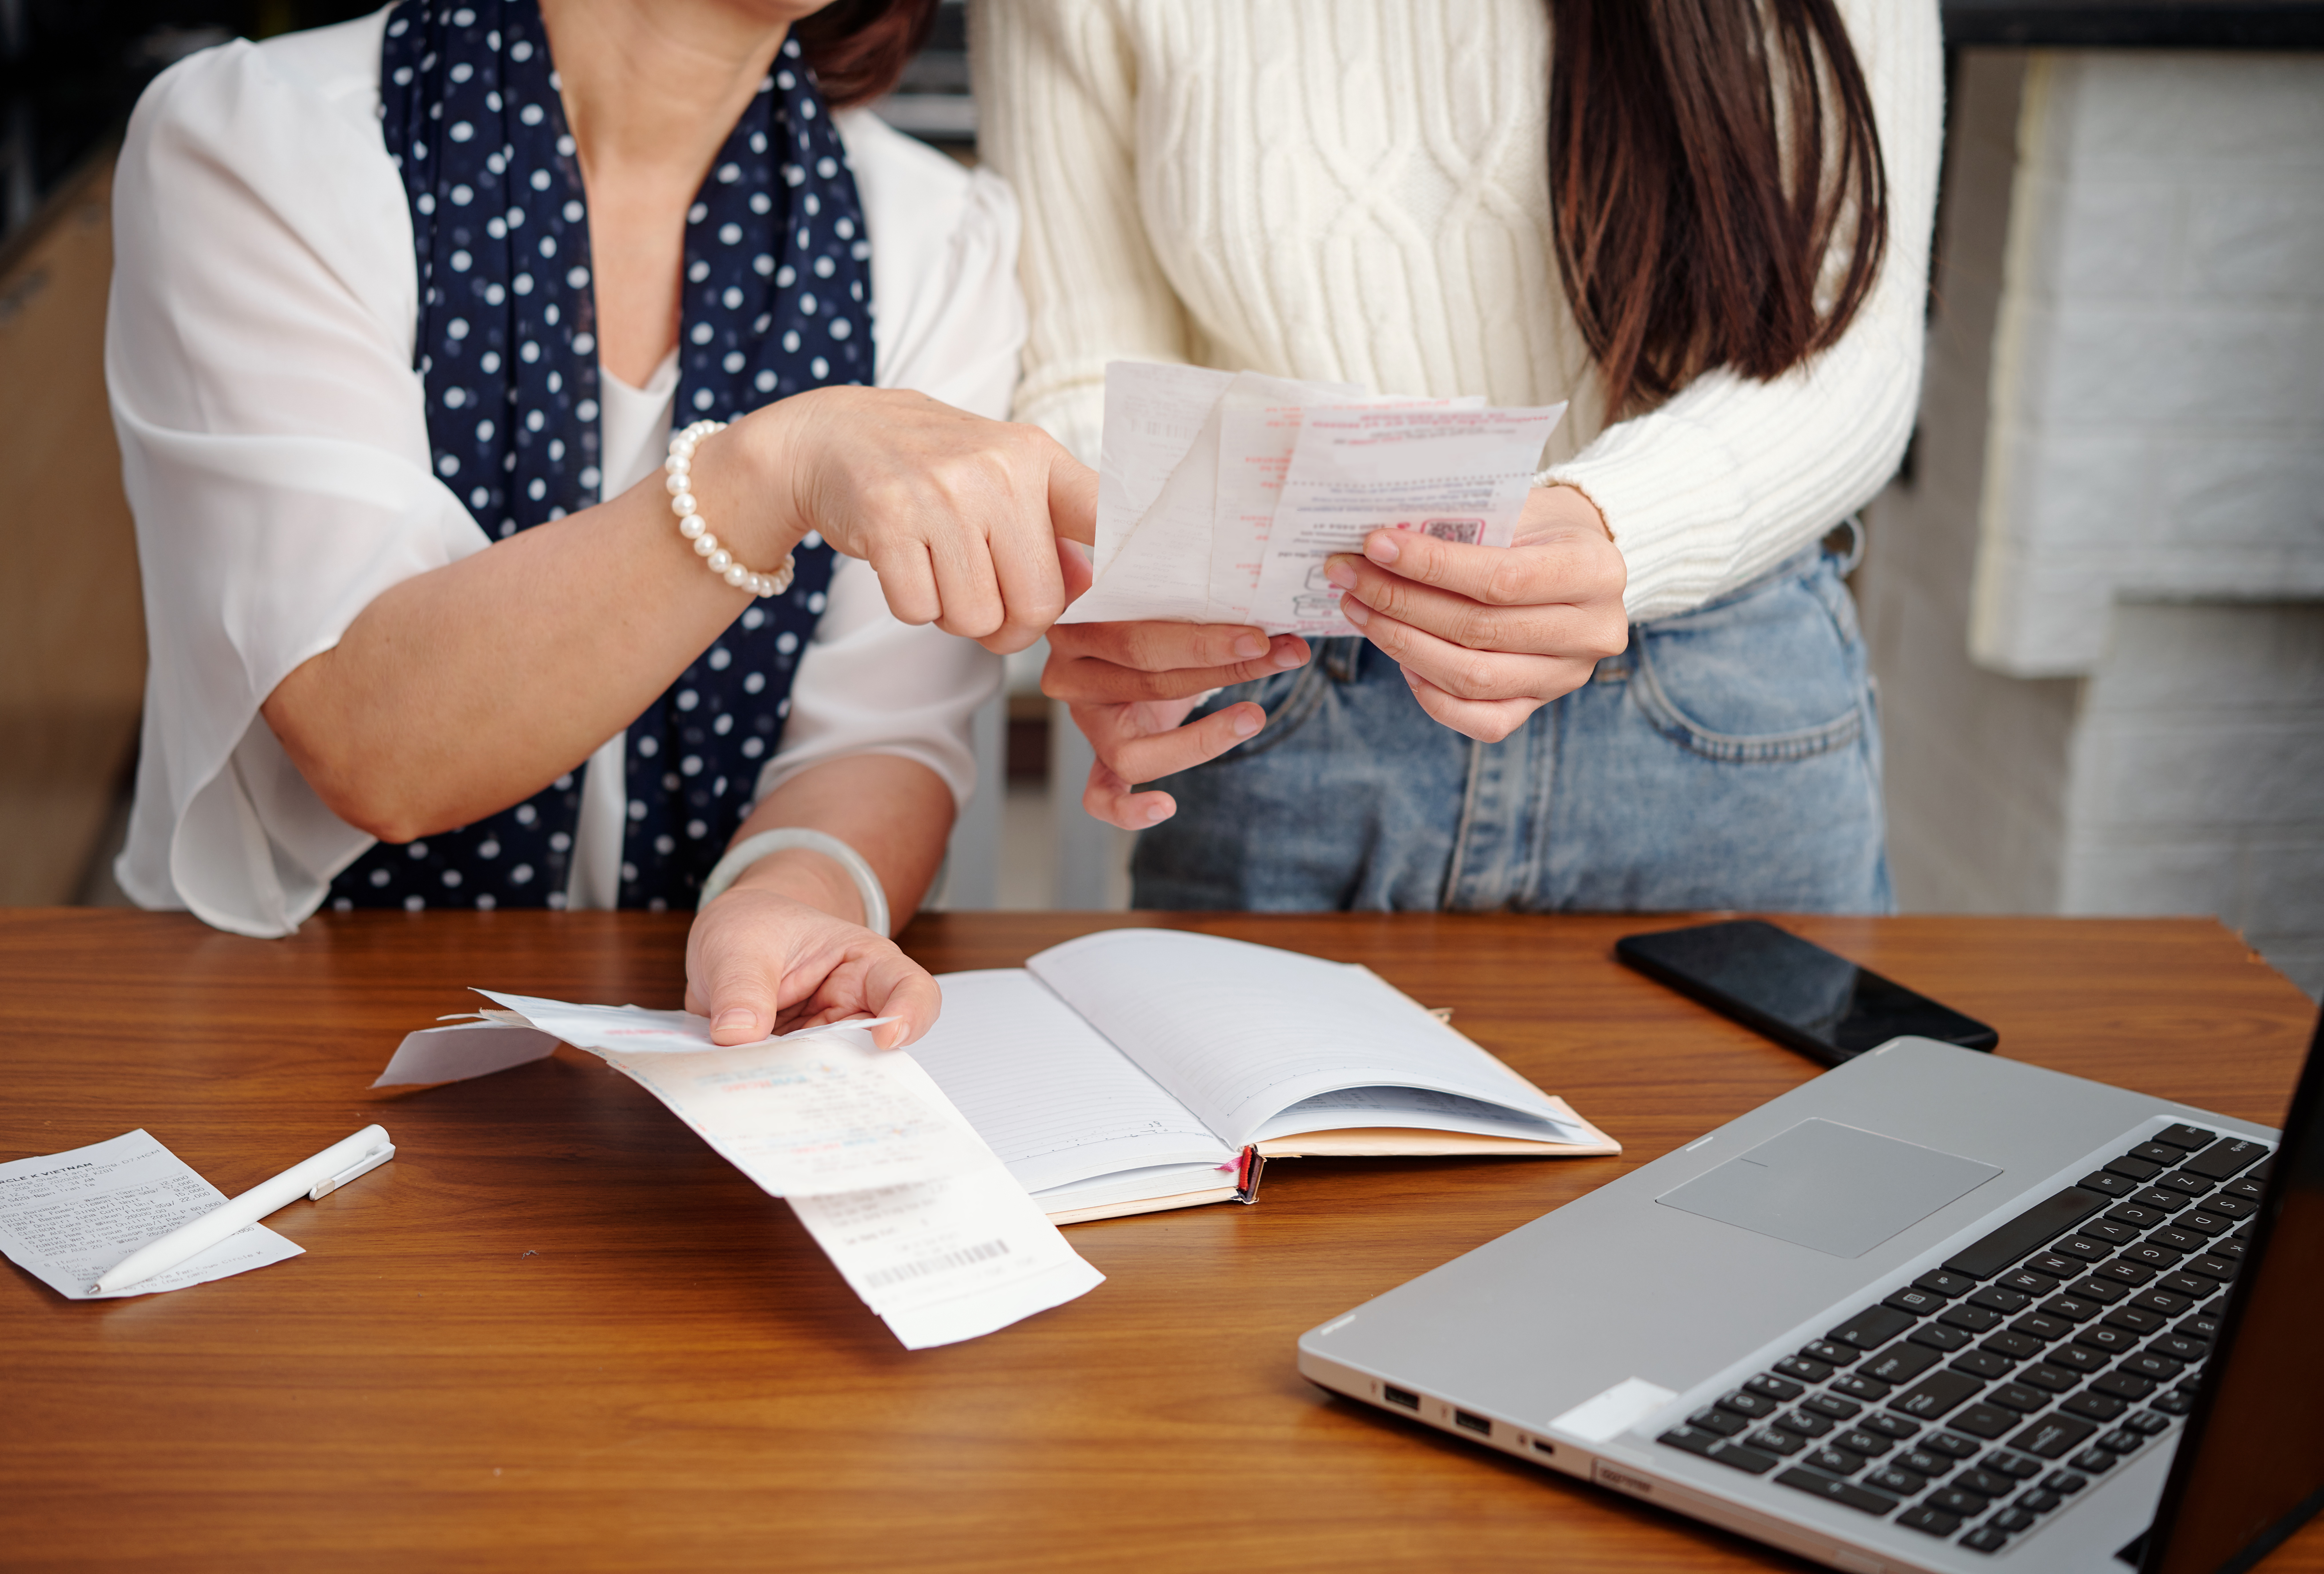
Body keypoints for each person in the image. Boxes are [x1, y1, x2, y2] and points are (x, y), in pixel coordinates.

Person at [109, 0, 1091, 1044]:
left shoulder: (934, 237)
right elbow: (373, 743)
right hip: (281, 1037)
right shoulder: (267, 142)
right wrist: (766, 473)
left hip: (706, 1062)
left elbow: (879, 735)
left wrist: (786, 903)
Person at [976, 0, 1936, 913]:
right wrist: (1145, 581)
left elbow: (1854, 345)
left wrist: (1621, 528)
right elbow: (1090, 374)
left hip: (1715, 682)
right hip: (1285, 694)